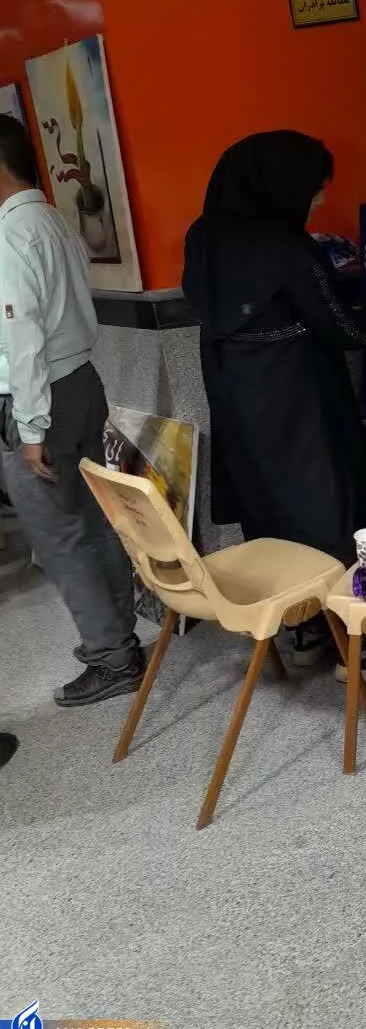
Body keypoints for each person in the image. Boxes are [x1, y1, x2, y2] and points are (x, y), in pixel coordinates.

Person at [182, 130, 366, 677]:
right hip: (302, 410)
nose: (319, 200)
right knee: (335, 514)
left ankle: (308, 630)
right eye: (314, 188)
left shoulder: (203, 239)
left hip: (241, 409)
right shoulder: (288, 249)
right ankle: (363, 649)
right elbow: (349, 330)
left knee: (273, 516)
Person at [0, 116, 140, 706]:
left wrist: (30, 427)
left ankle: (112, 656)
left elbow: (22, 338)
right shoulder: (54, 219)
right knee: (96, 519)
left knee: (58, 534)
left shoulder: (10, 233)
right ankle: (118, 635)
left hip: (41, 401)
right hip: (82, 382)